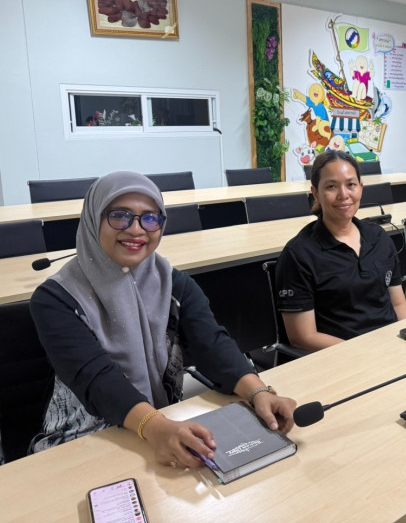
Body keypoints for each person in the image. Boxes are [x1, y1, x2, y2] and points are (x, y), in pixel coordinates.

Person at [29, 172, 296, 468]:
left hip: (162, 426)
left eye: (150, 218)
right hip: (83, 439)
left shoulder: (173, 283)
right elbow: (96, 378)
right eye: (120, 216)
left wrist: (258, 391)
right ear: (94, 219)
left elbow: (211, 343)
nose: (136, 230)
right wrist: (156, 427)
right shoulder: (56, 299)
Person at [276, 151, 406, 351]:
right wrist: (362, 351)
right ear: (315, 193)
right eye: (331, 186)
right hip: (343, 355)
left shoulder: (379, 237)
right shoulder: (299, 254)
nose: (344, 195)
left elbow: (398, 305)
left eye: (351, 185)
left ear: (361, 188)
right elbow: (302, 337)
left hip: (391, 347)